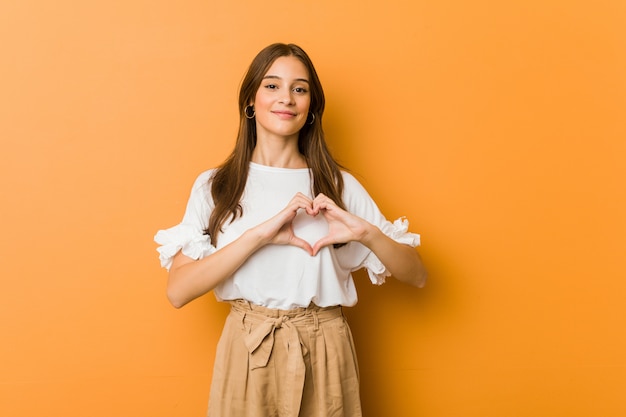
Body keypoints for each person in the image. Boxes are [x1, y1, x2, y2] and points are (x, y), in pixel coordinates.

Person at [154, 43, 427, 417]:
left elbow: (417, 275)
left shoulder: (337, 186)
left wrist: (367, 234)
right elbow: (178, 291)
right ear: (250, 100)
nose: (286, 98)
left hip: (326, 345)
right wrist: (258, 237)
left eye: (299, 89)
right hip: (248, 345)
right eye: (272, 86)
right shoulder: (217, 185)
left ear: (312, 107)